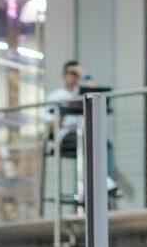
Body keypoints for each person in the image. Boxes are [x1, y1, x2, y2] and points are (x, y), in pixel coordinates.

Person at [46, 60, 119, 194]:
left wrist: (87, 80)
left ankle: (105, 180)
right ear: (64, 75)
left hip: (84, 132)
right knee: (88, 142)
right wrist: (64, 110)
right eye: (72, 73)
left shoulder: (83, 94)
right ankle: (95, 183)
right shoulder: (55, 96)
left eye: (77, 74)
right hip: (66, 134)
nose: (74, 78)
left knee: (105, 144)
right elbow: (51, 127)